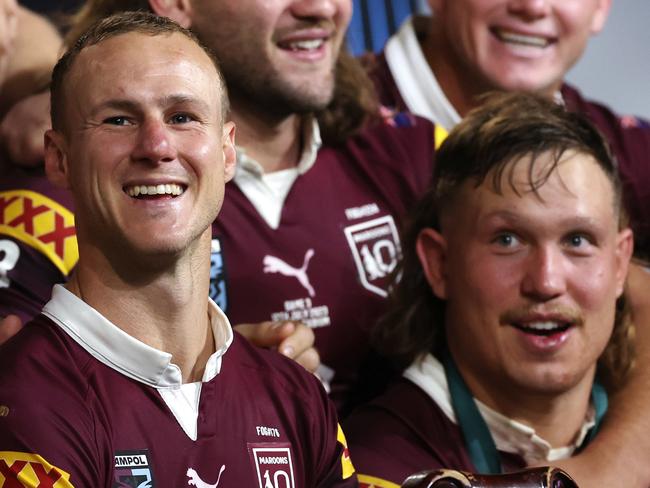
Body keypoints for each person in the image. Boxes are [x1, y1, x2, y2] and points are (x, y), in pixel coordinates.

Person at [0, 0, 437, 411]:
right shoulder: (75, 191)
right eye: (120, 119)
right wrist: (181, 378)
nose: (320, 8)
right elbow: (23, 405)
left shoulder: (417, 152)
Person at [0, 12, 357, 487]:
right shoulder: (25, 402)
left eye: (183, 117)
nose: (157, 145)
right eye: (119, 119)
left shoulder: (298, 396)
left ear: (227, 152)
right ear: (59, 159)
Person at [364, 2, 650, 485]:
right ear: (438, 263)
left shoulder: (630, 151)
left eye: (578, 240)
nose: (546, 282)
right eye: (508, 239)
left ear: (623, 262)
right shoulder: (377, 461)